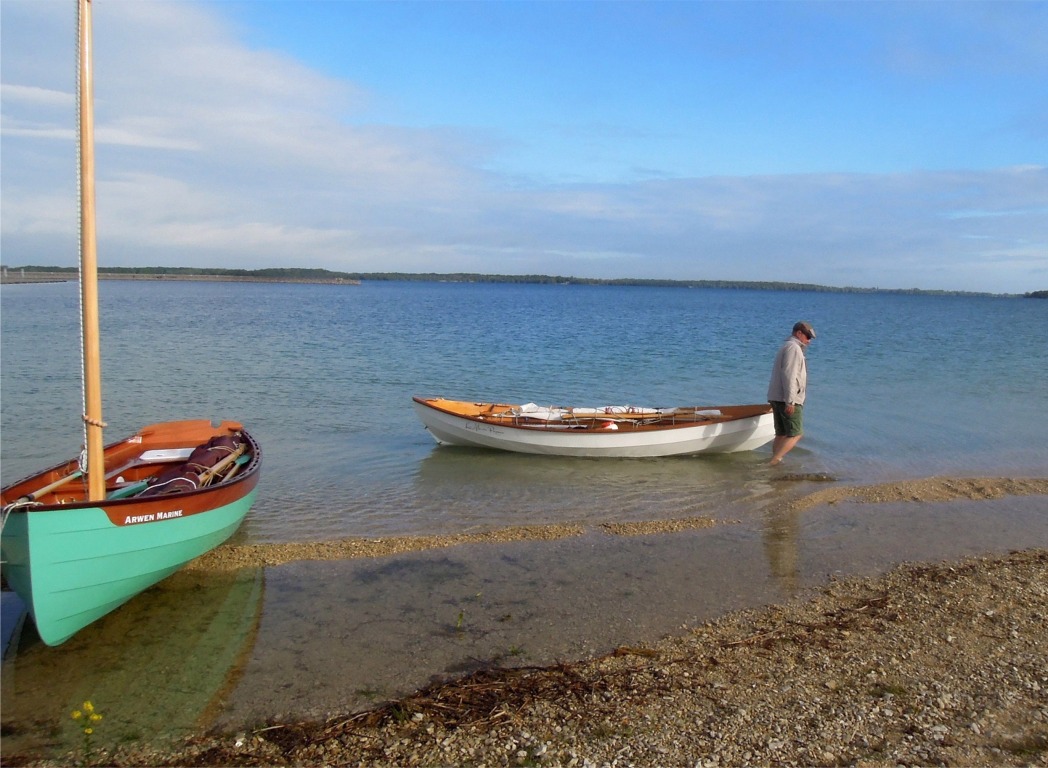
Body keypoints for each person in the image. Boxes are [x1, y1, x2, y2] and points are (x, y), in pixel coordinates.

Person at [767, 321, 815, 465]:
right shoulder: (793, 348)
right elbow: (789, 375)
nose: (809, 341)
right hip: (786, 398)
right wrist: (790, 400)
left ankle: (773, 461)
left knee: (781, 434)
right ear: (798, 333)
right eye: (807, 336)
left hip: (776, 397)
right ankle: (774, 462)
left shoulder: (787, 346)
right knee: (796, 434)